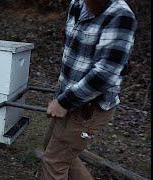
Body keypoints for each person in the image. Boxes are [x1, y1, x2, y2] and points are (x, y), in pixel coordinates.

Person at [41, 0, 137, 179]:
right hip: (68, 99)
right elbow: (75, 53)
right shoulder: (77, 5)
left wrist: (63, 102)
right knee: (54, 150)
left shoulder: (121, 16)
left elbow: (106, 74)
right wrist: (61, 97)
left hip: (90, 108)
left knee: (54, 162)